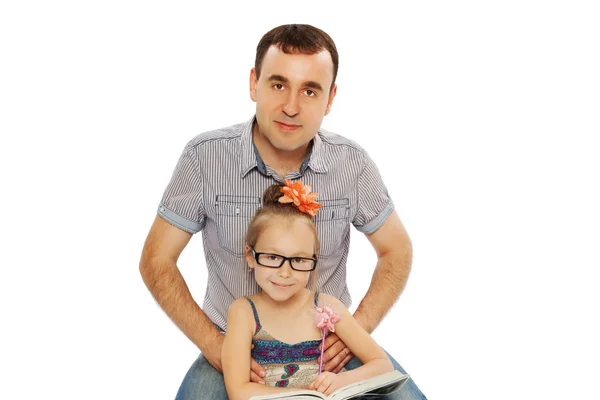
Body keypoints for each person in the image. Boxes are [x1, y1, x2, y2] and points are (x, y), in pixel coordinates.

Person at [139, 23, 426, 399]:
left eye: (310, 90)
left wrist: (355, 331)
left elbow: (397, 250)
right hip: (236, 351)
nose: (291, 106)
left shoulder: (352, 164)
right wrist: (214, 345)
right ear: (253, 83)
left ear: (330, 98)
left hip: (328, 350)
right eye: (278, 85)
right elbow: (156, 259)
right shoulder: (204, 157)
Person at [222, 182, 394, 399]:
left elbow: (382, 365)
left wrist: (341, 381)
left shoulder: (325, 306)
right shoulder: (243, 311)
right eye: (273, 257)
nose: (285, 273)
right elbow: (239, 391)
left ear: (314, 259)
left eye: (299, 259)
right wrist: (304, 394)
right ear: (250, 255)